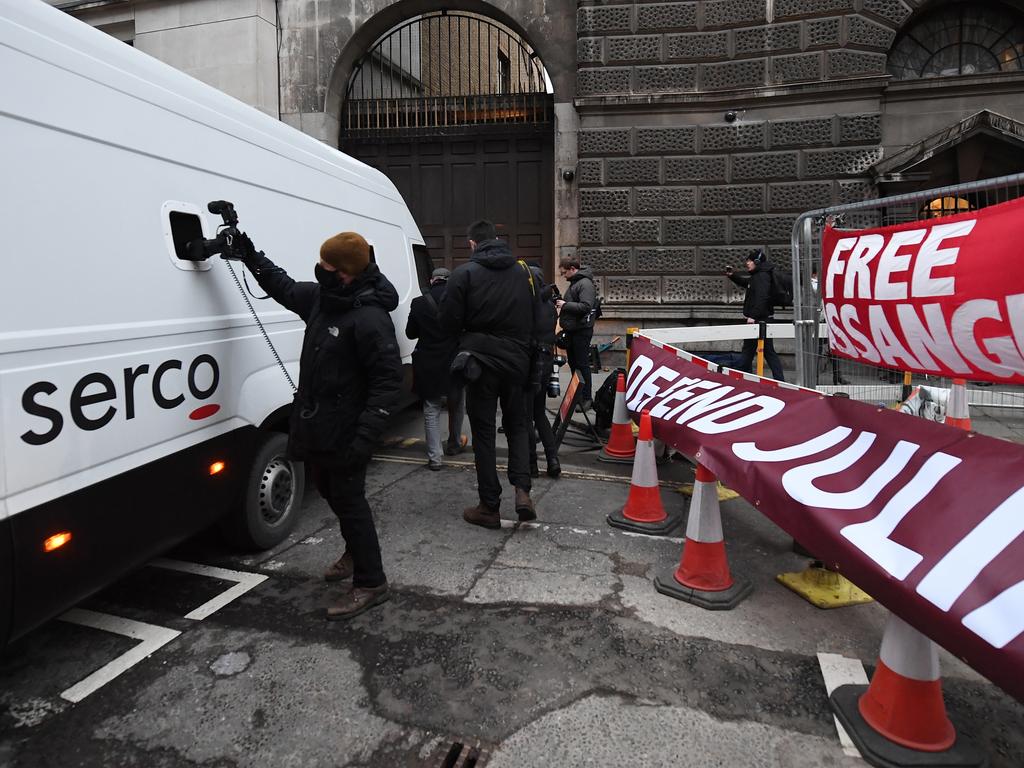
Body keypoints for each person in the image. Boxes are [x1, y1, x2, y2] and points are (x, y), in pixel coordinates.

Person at [234, 230, 402, 620]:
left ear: (343, 272)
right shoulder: (323, 300)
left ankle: (371, 582)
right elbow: (284, 286)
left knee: (351, 501)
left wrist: (365, 437)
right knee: (328, 488)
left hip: (348, 431)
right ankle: (353, 551)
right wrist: (249, 253)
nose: (319, 269)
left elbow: (387, 383)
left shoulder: (370, 318)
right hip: (319, 425)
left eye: (326, 265)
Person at [438, 220, 538, 528]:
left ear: (472, 244)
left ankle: (489, 505)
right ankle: (522, 491)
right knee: (518, 426)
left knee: (483, 434)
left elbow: (447, 322)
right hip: (517, 362)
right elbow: (536, 318)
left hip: (480, 363)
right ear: (497, 239)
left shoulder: (463, 275)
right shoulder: (525, 274)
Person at [405, 267, 466, 470]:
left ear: (432, 281)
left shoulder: (419, 303)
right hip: (454, 362)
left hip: (428, 364)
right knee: (456, 405)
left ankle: (435, 458)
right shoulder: (460, 303)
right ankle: (454, 444)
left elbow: (411, 333)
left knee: (431, 409)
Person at [725, 249, 785, 381]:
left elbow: (762, 297)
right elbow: (748, 284)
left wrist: (753, 316)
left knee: (757, 351)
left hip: (760, 321)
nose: (747, 263)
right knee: (752, 351)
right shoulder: (758, 275)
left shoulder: (762, 276)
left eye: (749, 260)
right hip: (760, 319)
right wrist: (733, 276)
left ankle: (738, 379)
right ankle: (740, 378)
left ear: (757, 261)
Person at [526, 262, 560, 479]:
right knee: (540, 414)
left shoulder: (530, 303)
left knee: (526, 415)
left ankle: (531, 465)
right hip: (547, 360)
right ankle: (552, 459)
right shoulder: (549, 303)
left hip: (530, 362)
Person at [555, 255, 598, 410]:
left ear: (573, 269)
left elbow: (586, 306)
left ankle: (586, 398)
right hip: (574, 330)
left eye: (564, 272)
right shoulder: (576, 282)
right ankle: (577, 395)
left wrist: (565, 305)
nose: (563, 276)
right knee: (574, 364)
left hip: (581, 331)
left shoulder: (584, 284)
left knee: (582, 364)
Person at [810, 265, 848, 386]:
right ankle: (832, 377)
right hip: (824, 321)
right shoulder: (816, 285)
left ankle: (829, 377)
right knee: (825, 351)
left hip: (825, 321)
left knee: (826, 351)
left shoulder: (820, 285)